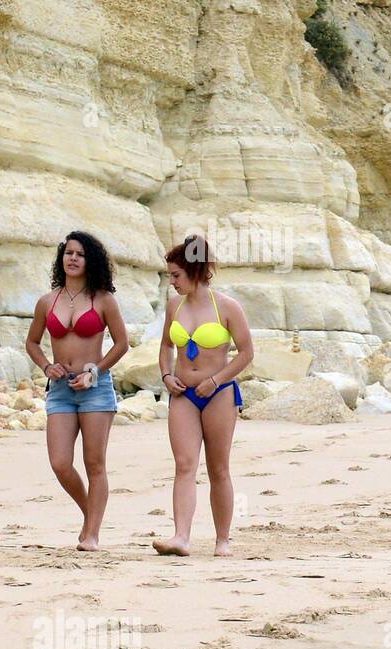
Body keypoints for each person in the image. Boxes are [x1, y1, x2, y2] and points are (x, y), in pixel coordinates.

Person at [25, 231, 129, 551]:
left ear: (90, 261)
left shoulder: (104, 300)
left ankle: (93, 534)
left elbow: (122, 344)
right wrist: (46, 366)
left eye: (80, 254)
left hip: (95, 389)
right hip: (60, 390)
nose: (72, 258)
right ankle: (89, 514)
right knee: (60, 462)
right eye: (68, 253)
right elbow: (32, 342)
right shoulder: (48, 301)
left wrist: (95, 372)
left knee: (94, 463)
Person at [153, 235, 255, 558]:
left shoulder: (226, 307)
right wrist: (167, 375)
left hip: (219, 393)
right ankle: (181, 535)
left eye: (176, 275)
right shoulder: (174, 306)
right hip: (183, 395)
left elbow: (246, 353)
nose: (171, 282)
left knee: (218, 468)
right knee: (184, 464)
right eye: (170, 276)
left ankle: (222, 539)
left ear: (195, 271)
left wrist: (216, 380)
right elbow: (167, 346)